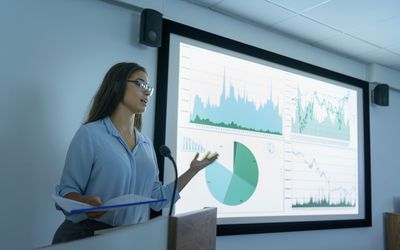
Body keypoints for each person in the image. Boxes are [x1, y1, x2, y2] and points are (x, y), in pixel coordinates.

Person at [52, 62, 218, 244]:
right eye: (140, 84)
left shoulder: (146, 145)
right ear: (117, 85)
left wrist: (192, 171)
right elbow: (66, 192)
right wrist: (86, 203)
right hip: (84, 237)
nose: (147, 92)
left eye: (149, 88)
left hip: (126, 239)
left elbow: (157, 199)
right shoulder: (90, 134)